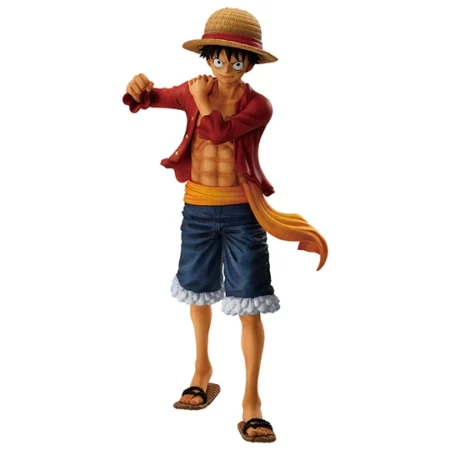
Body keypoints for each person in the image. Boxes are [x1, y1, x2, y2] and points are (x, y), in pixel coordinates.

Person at [123, 7, 328, 443]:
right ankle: (202, 371)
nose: (226, 67)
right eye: (219, 58)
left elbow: (219, 133)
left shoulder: (258, 104)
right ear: (208, 57)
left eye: (237, 60)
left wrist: (200, 102)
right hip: (197, 209)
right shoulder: (192, 90)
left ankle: (251, 402)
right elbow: (153, 98)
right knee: (196, 290)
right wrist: (138, 88)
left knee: (249, 302)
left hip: (241, 212)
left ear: (250, 64)